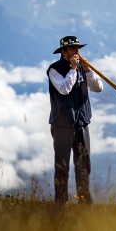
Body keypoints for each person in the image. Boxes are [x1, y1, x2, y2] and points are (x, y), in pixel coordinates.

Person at [47, 35, 103, 205]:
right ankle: (61, 203)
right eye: (72, 48)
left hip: (82, 123)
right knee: (62, 166)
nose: (77, 51)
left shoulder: (83, 67)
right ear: (63, 52)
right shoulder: (54, 70)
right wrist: (73, 69)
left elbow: (98, 88)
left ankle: (84, 202)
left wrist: (88, 71)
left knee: (84, 165)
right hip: (62, 125)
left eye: (78, 48)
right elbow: (64, 89)